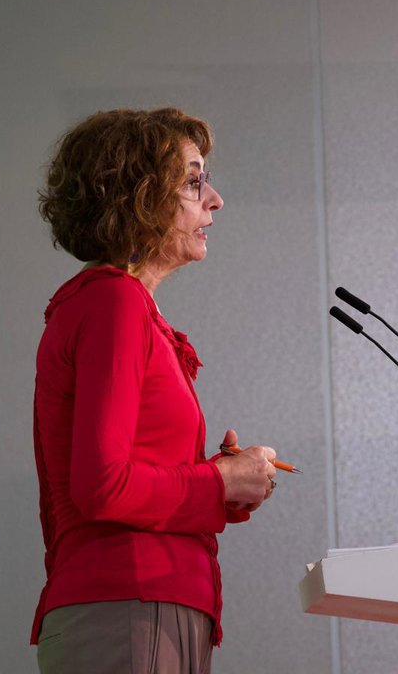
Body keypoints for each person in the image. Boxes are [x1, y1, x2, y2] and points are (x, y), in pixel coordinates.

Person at [30, 107, 279, 674]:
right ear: (138, 198)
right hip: (128, 604)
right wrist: (220, 480)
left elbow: (126, 473)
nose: (215, 200)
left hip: (144, 607)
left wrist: (224, 480)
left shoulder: (121, 305)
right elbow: (103, 487)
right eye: (193, 182)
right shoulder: (113, 302)